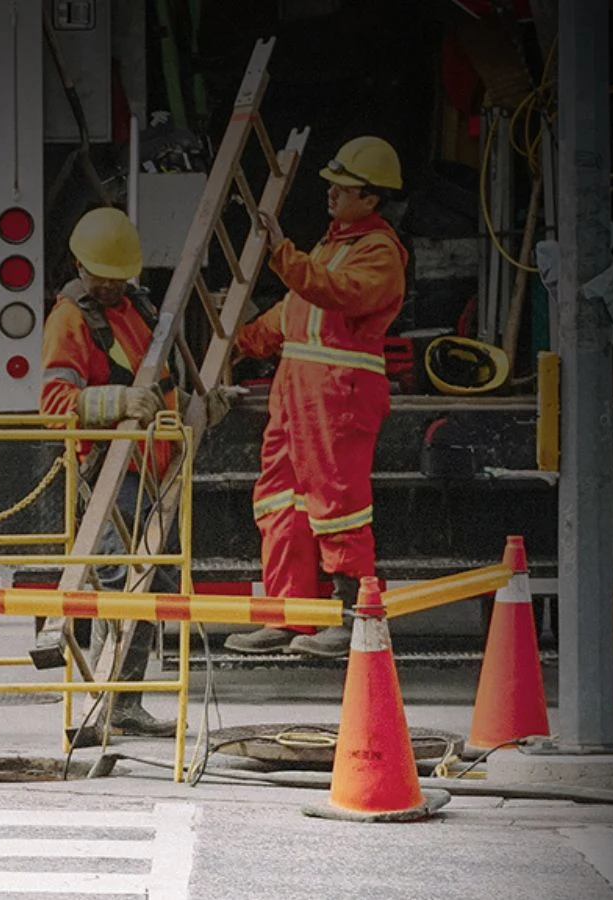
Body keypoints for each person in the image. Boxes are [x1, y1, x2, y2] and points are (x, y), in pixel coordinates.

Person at [34, 205, 236, 746]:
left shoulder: (137, 308)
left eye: (118, 275)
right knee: (121, 585)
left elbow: (159, 383)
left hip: (155, 468)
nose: (110, 284)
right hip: (113, 473)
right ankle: (105, 702)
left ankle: (124, 705)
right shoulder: (71, 319)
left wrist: (199, 405)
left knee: (149, 587)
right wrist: (120, 400)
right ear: (80, 265)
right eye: (102, 275)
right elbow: (55, 404)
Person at [222, 136, 410, 658]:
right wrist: (236, 343)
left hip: (337, 398)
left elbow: (333, 292)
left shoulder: (378, 253)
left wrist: (282, 251)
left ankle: (354, 617)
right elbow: (291, 317)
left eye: (341, 185)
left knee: (338, 505)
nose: (329, 191)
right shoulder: (336, 246)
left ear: (370, 198)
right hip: (300, 398)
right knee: (280, 502)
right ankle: (289, 616)